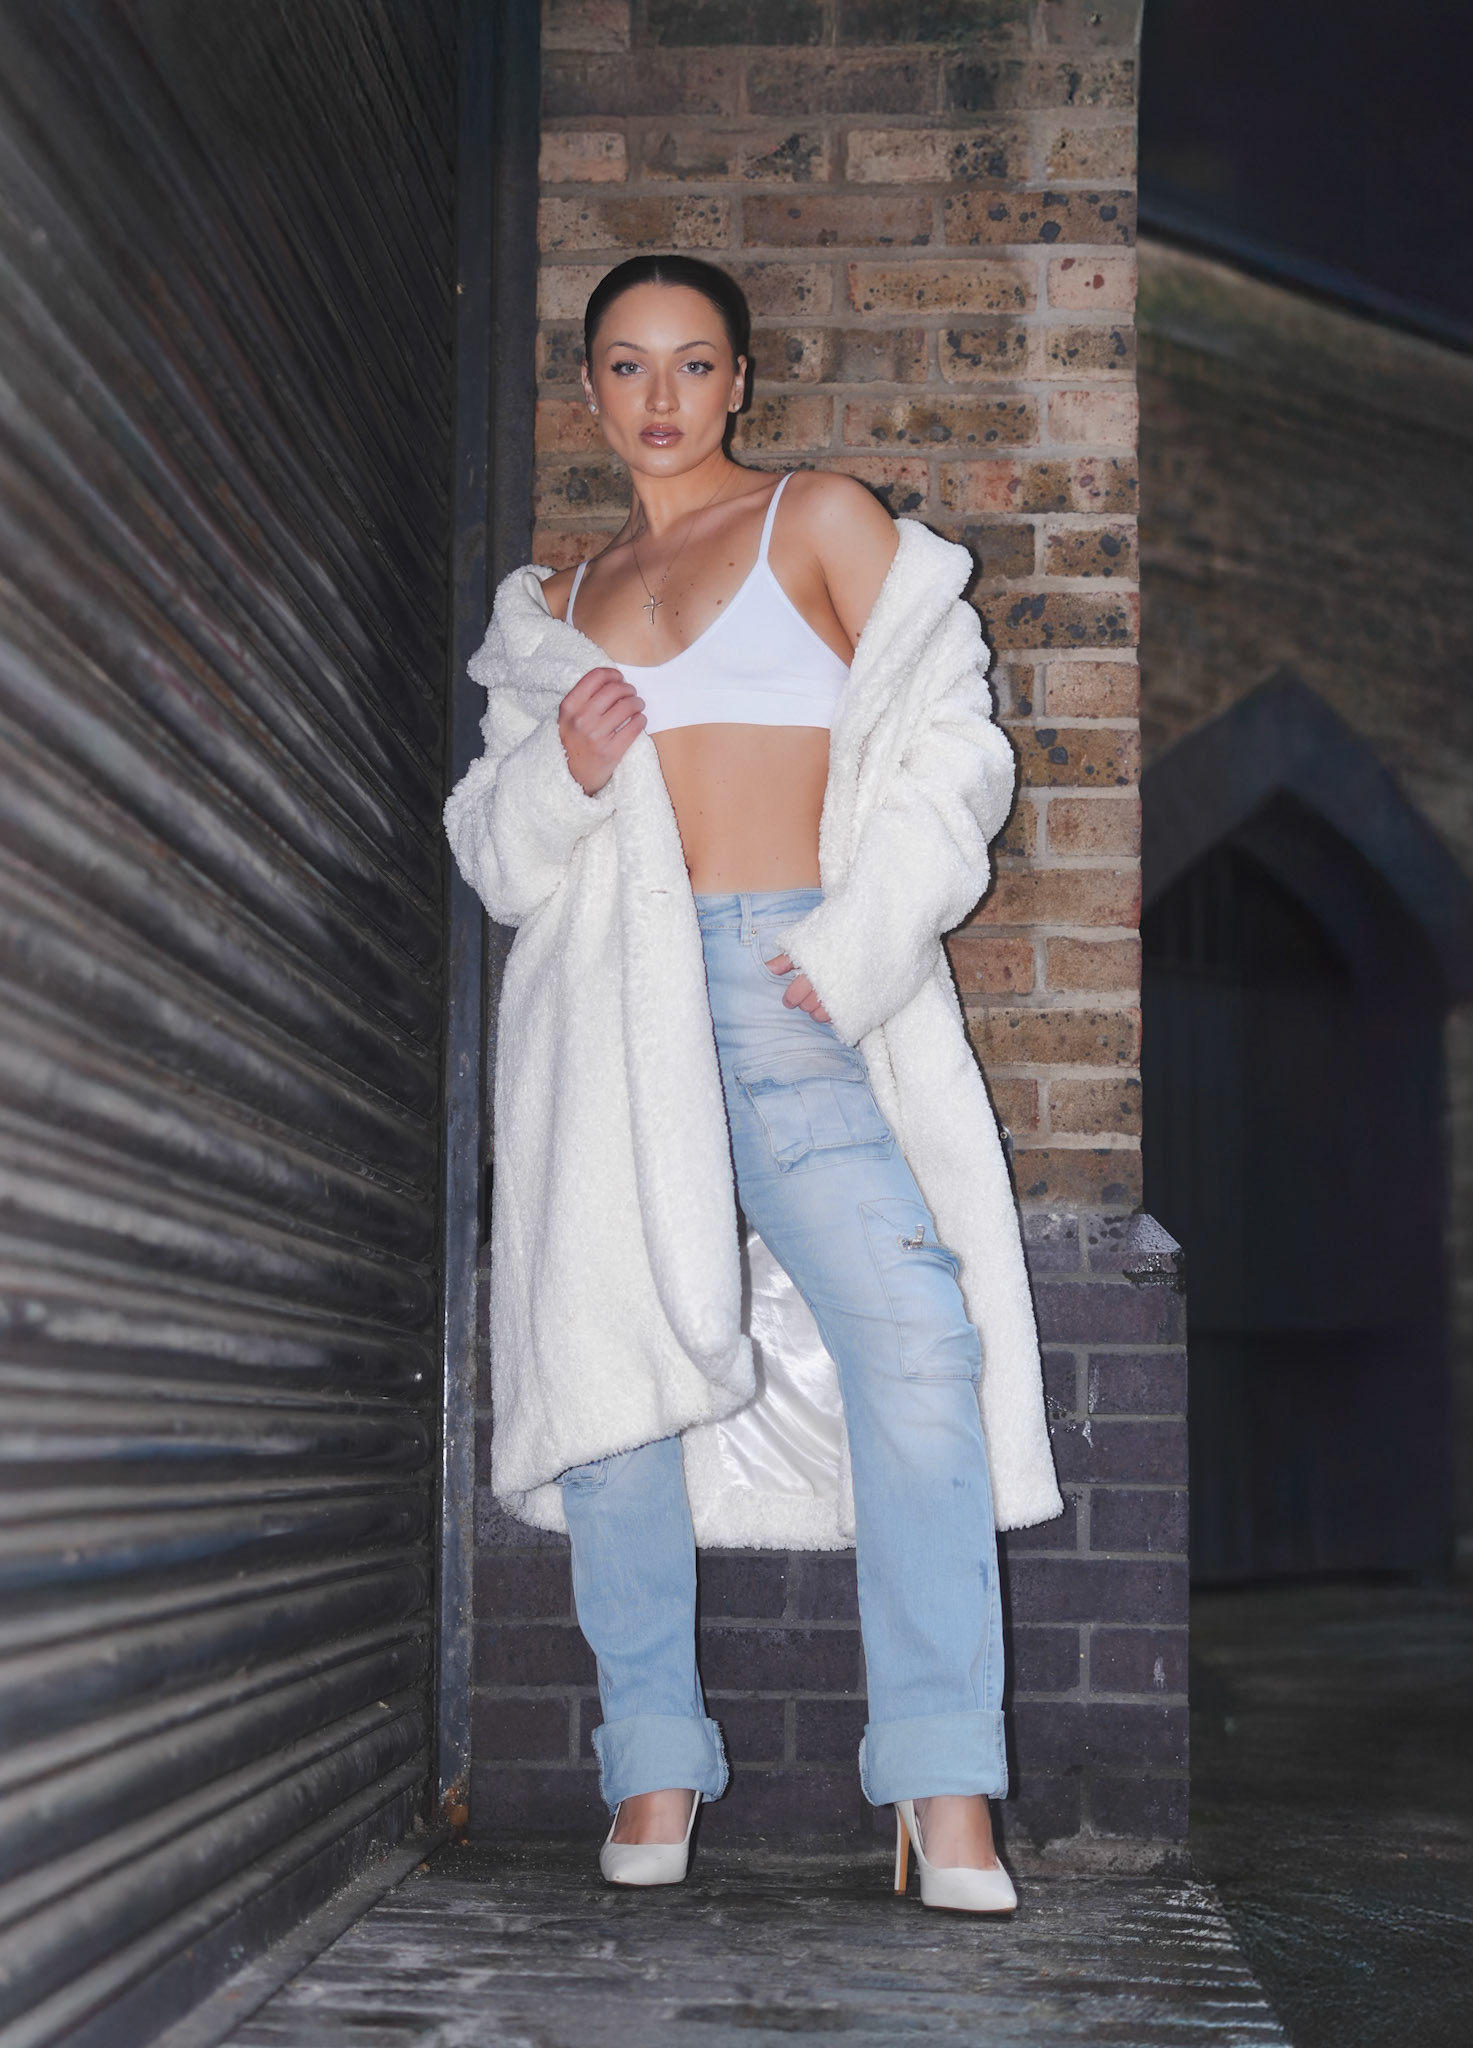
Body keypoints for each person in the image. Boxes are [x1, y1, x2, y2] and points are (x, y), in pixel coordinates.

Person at [444, 254, 1063, 1913]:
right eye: (625, 364)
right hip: (606, 1013)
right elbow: (498, 857)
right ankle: (651, 1761)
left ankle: (943, 1781)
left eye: (693, 362)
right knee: (618, 1375)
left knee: (917, 1336)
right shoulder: (548, 608)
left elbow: (954, 753)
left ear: (739, 380)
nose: (659, 396)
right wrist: (567, 772)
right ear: (589, 387)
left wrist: (856, 942)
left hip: (792, 986)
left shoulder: (820, 521)